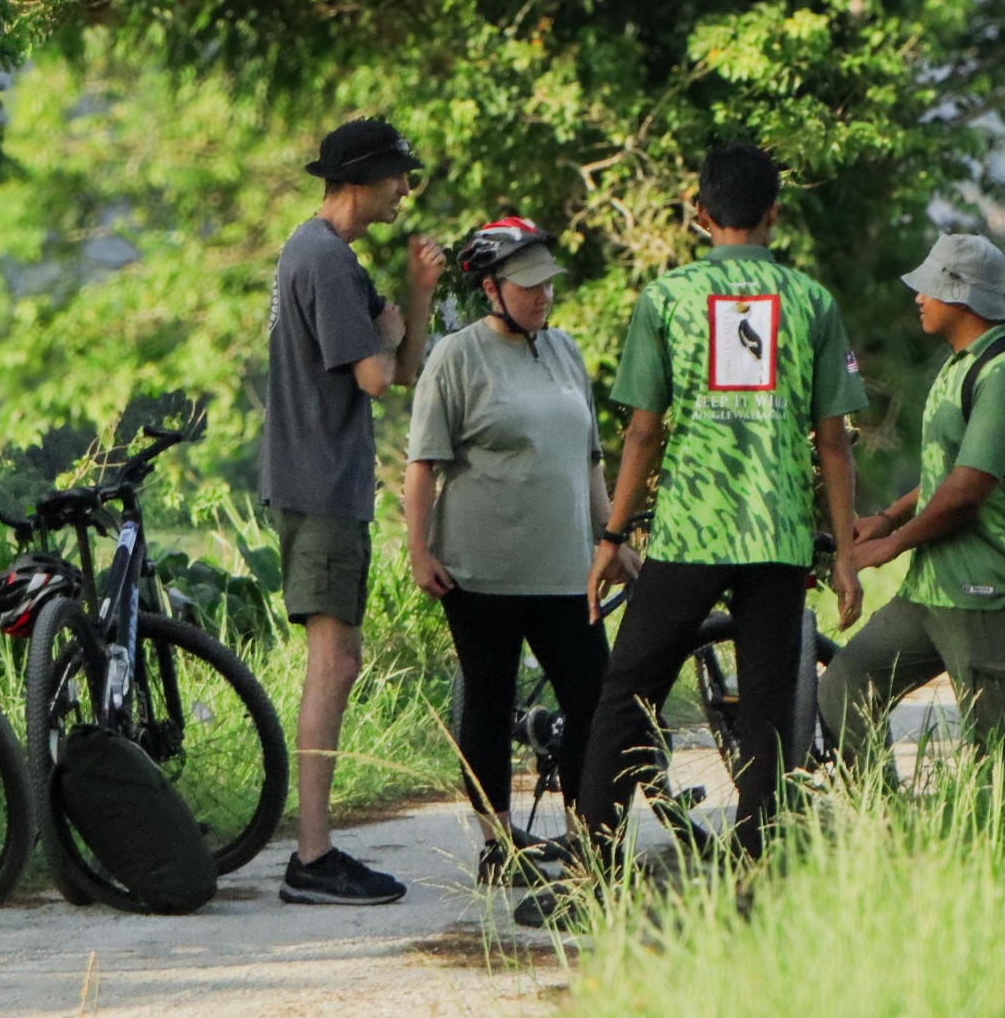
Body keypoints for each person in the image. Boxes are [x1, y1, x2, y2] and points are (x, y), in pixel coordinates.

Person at [547, 143, 866, 905]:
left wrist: (611, 537)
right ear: (774, 214)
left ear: (698, 212)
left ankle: (591, 872)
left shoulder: (666, 298)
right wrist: (847, 552)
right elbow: (833, 440)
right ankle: (756, 882)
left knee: (629, 691)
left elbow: (643, 433)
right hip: (778, 536)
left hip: (689, 532)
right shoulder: (813, 303)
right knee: (766, 710)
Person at [263, 116, 444, 908]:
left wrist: (417, 296)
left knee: (340, 658)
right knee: (333, 662)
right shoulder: (326, 261)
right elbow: (376, 374)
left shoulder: (329, 256)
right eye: (398, 174)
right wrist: (389, 329)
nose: (405, 187)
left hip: (320, 484)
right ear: (363, 178)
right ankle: (312, 855)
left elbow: (402, 365)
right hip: (319, 483)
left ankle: (315, 847)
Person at [403, 217, 611, 882]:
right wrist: (418, 550)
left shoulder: (565, 351)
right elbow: (422, 466)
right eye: (527, 286)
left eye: (547, 283)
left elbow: (591, 459)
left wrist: (611, 539)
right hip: (482, 571)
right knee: (490, 705)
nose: (542, 296)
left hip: (565, 570)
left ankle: (589, 837)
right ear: (491, 288)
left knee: (597, 700)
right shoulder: (456, 357)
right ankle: (500, 844)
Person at [820, 233, 1005, 782]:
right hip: (933, 590)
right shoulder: (959, 366)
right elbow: (945, 476)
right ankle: (886, 831)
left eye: (929, 288)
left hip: (988, 591)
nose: (918, 298)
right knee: (847, 686)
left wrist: (889, 545)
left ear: (963, 295)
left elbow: (969, 490)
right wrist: (888, 516)